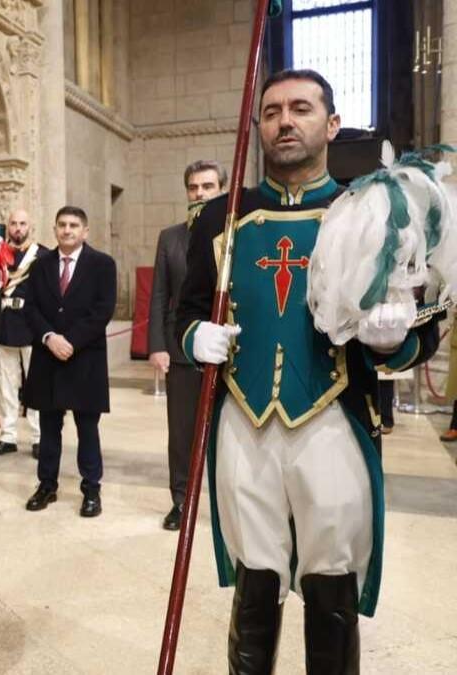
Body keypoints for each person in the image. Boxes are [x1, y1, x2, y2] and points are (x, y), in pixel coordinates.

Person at [176, 69, 439, 673]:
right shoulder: (219, 217)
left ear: (332, 123)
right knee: (255, 582)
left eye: (301, 108)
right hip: (243, 423)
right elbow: (186, 311)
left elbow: (422, 326)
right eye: (271, 112)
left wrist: (393, 340)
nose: (285, 122)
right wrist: (196, 338)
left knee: (331, 586)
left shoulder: (371, 211)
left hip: (333, 419)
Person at [21, 206, 117, 517]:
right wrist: (50, 337)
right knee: (49, 427)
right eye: (62, 224)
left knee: (87, 428)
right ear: (54, 229)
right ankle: (46, 485)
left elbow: (103, 310)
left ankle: (91, 489)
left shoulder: (102, 264)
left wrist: (71, 341)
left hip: (85, 358)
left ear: (85, 231)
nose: (67, 230)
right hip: (48, 358)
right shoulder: (40, 265)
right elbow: (30, 307)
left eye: (74, 225)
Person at [148, 160, 225, 530]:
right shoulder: (170, 237)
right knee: (181, 434)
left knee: (228, 433)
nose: (200, 193)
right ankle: (181, 501)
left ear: (221, 190)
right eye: (194, 187)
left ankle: (229, 504)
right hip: (181, 349)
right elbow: (159, 294)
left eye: (208, 186)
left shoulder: (237, 233)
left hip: (229, 350)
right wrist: (157, 345)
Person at [0, 208, 46, 459]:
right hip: (5, 323)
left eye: (22, 223)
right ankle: (8, 436)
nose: (18, 228)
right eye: (13, 223)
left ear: (30, 226)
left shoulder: (42, 255)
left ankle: (39, 437)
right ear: (7, 226)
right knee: (6, 384)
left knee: (36, 385)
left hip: (32, 325)